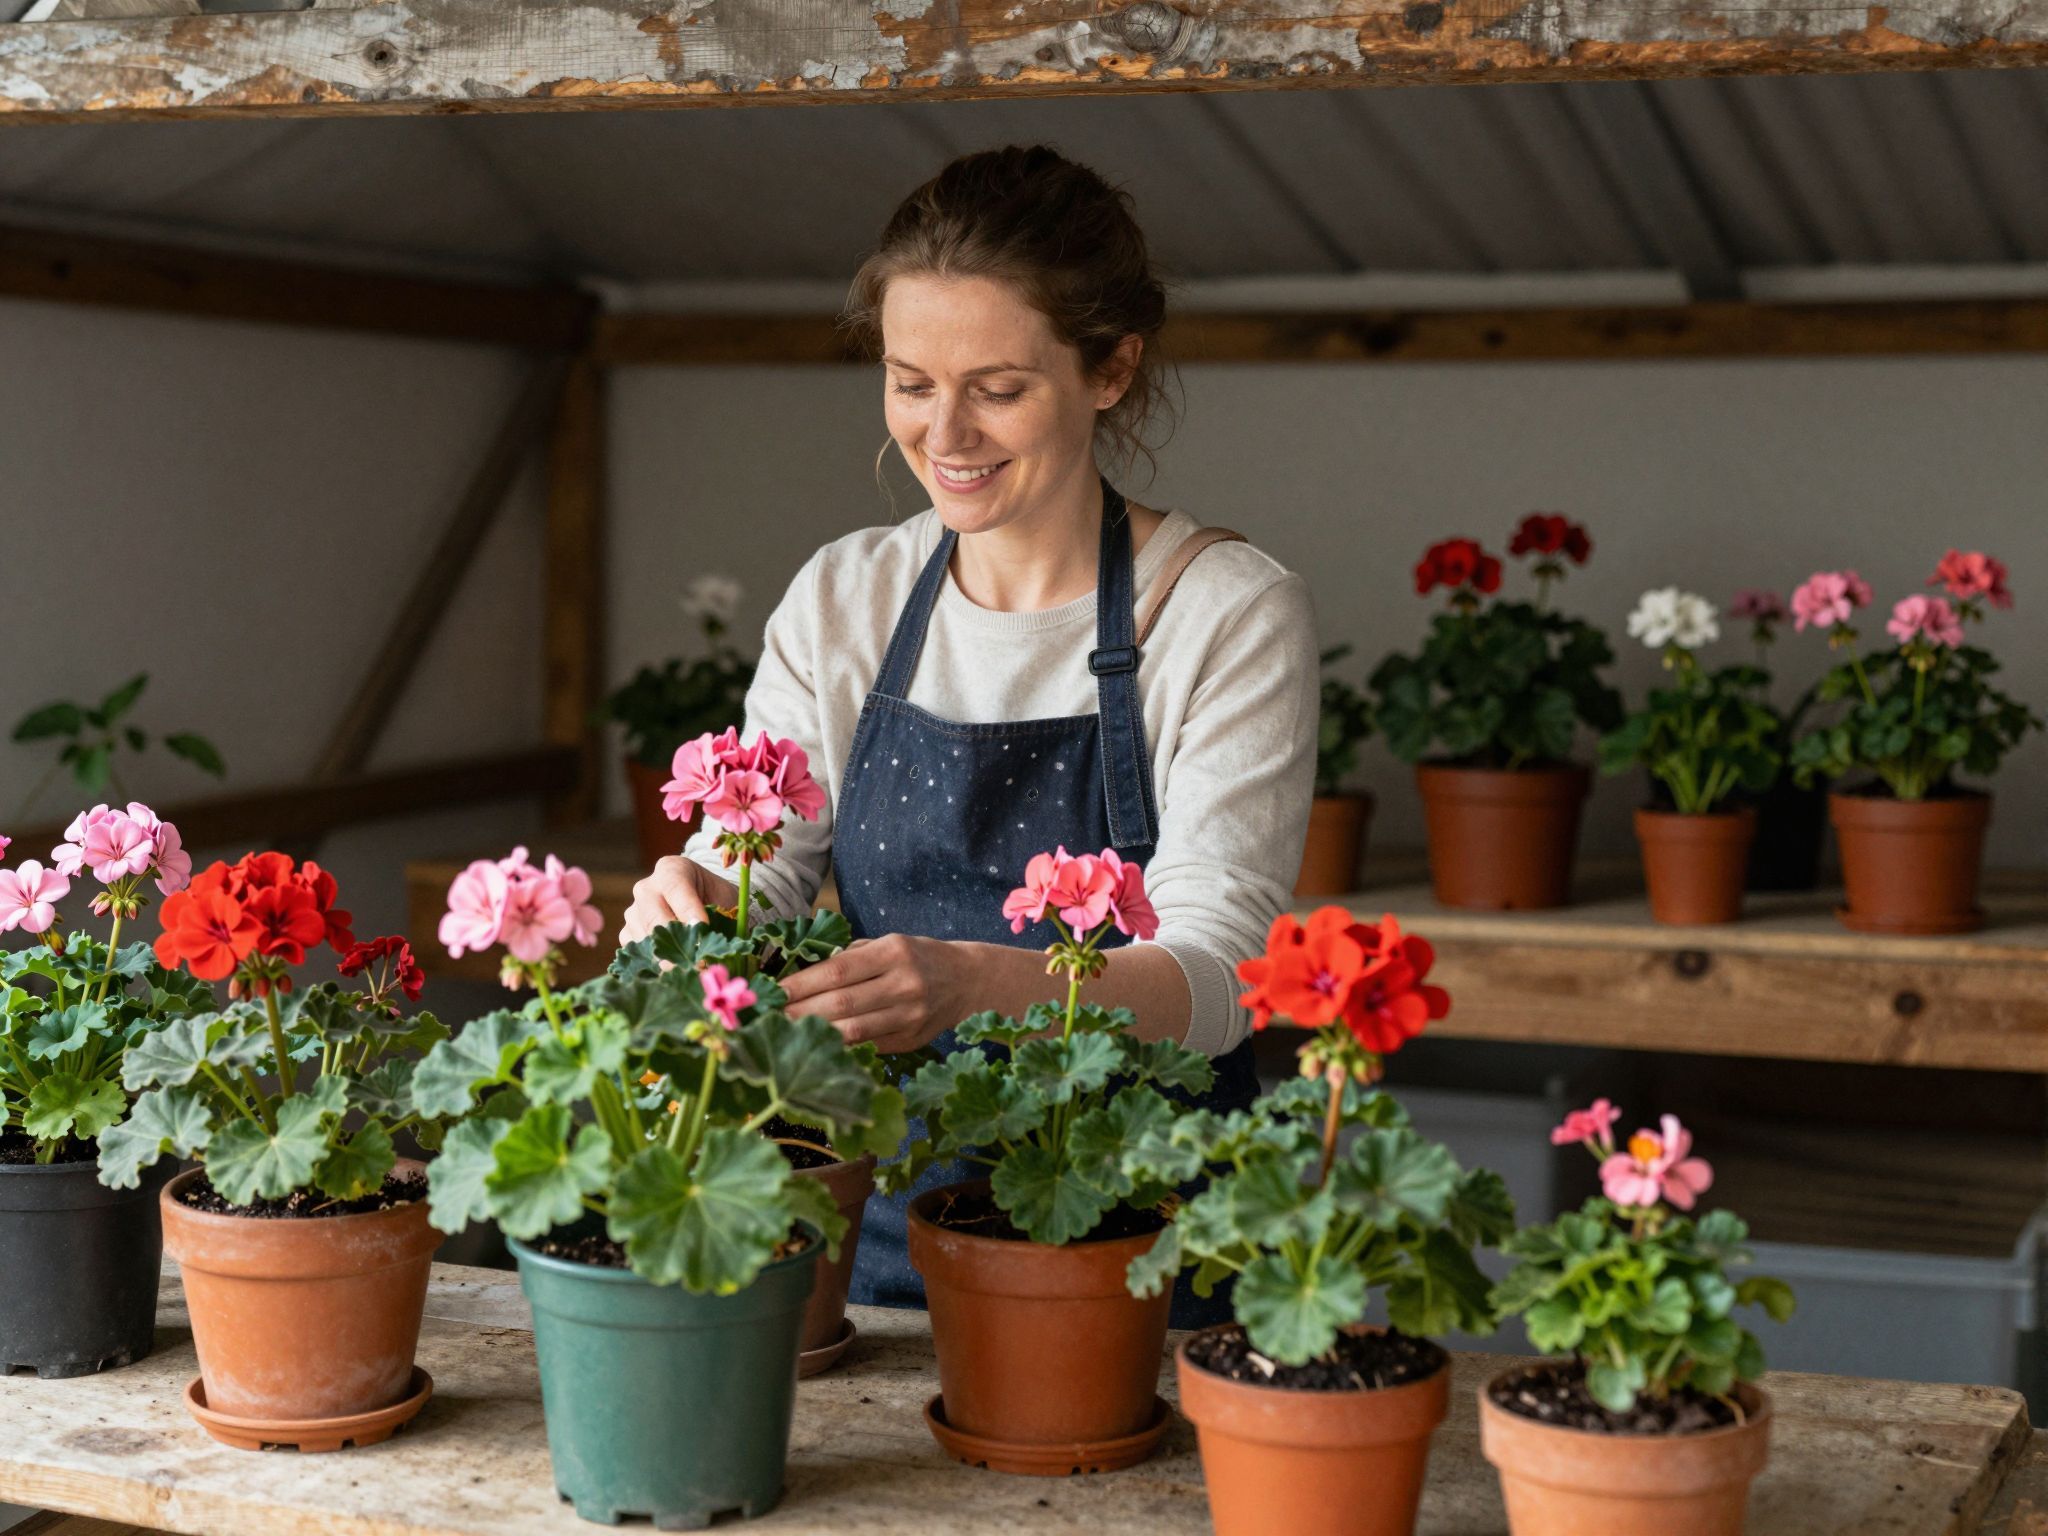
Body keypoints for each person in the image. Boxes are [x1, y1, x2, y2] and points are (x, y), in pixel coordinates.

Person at [620, 144, 1318, 1323]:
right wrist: (691, 893)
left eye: (996, 387)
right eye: (907, 381)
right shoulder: (846, 598)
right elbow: (772, 876)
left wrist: (978, 986)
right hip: (872, 1222)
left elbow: (1216, 982)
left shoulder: (1220, 609)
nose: (942, 433)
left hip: (1143, 1245)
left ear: (1109, 369)